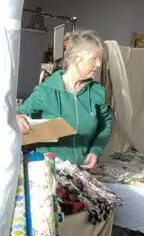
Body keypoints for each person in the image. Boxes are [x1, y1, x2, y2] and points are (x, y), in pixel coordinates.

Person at [16, 30, 112, 169]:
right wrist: (18, 117)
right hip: (50, 171)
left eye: (99, 60)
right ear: (76, 59)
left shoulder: (97, 92)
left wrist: (95, 151)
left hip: (82, 171)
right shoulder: (46, 91)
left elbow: (106, 125)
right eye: (94, 59)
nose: (98, 64)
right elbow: (19, 113)